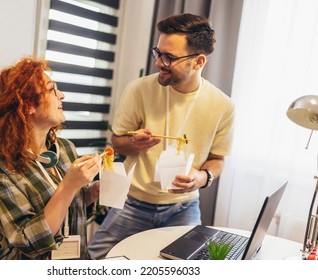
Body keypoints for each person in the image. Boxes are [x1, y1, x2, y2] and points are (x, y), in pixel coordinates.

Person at [88, 13, 235, 259]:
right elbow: (117, 141)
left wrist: (202, 177)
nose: (159, 62)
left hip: (184, 207)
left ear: (198, 62)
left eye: (170, 57)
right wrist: (132, 143)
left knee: (188, 268)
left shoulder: (223, 106)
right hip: (133, 202)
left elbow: (218, 159)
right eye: (159, 52)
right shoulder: (138, 90)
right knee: (97, 259)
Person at [0, 57, 101, 260]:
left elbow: (64, 207)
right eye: (52, 90)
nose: (62, 95)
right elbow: (29, 242)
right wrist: (68, 186)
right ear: (27, 106)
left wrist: (89, 194)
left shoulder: (65, 149)